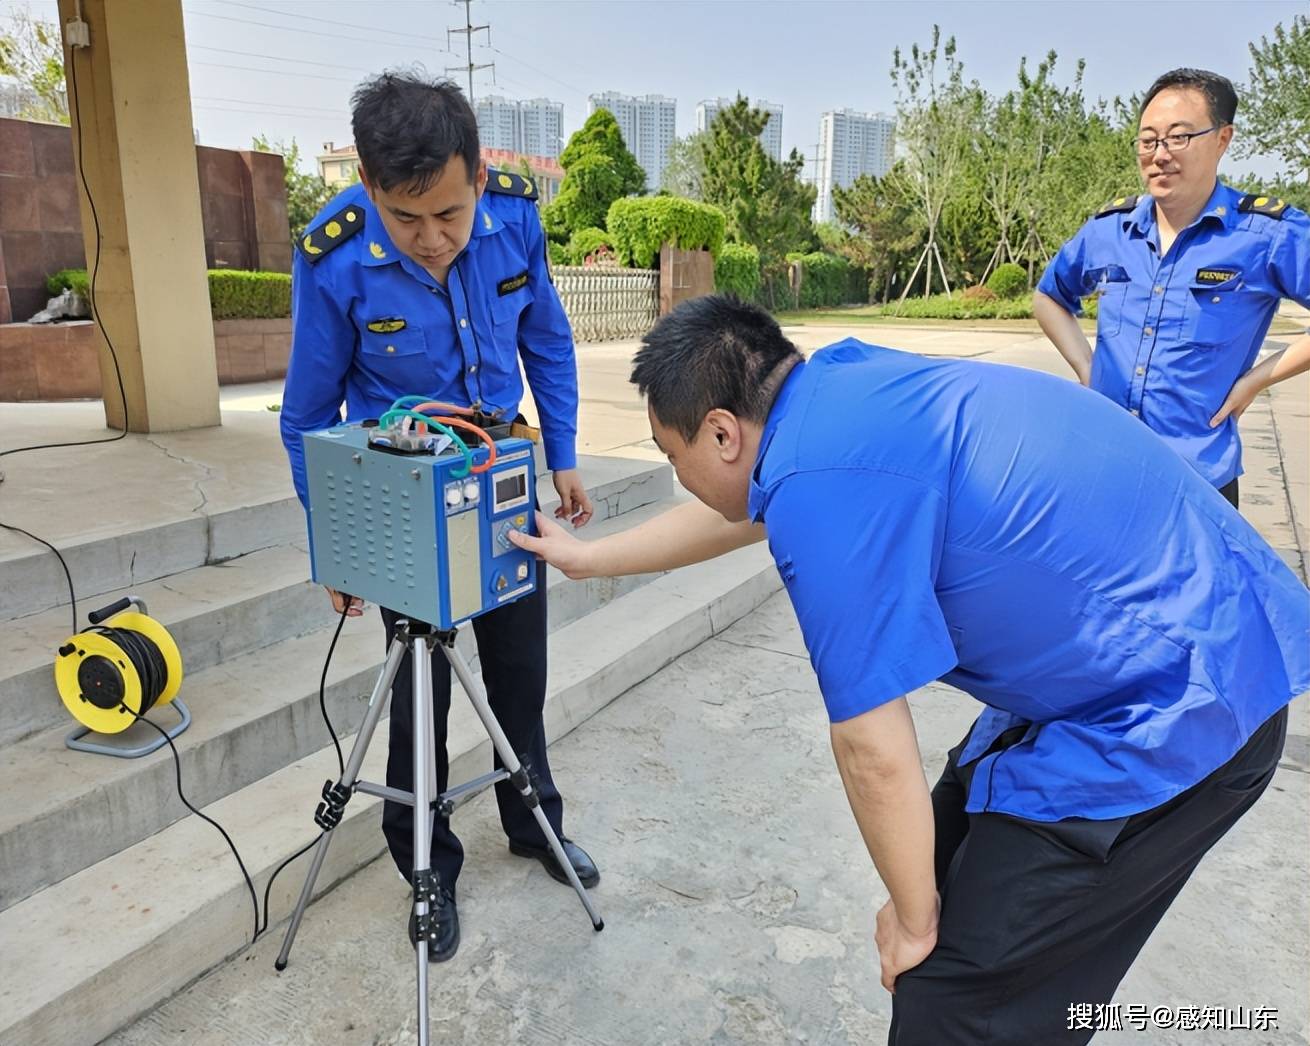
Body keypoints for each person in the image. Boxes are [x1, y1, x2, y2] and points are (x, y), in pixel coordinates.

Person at [510, 295, 1308, 1045]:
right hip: (1139, 644)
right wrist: (589, 558)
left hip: (1190, 699)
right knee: (944, 858)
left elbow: (872, 751)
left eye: (670, 454)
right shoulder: (833, 391)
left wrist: (915, 921)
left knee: (948, 992)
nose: (675, 474)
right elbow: (747, 507)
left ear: (722, 433)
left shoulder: (818, 490)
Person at [279, 73, 599, 964]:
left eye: (449, 217)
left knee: (519, 675)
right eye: (405, 219)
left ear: (478, 172)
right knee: (418, 699)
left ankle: (534, 826)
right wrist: (337, 543)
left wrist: (562, 451)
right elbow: (305, 417)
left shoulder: (515, 220)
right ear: (372, 189)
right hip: (406, 501)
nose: (430, 241)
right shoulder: (334, 255)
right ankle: (428, 869)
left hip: (501, 478)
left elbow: (548, 339)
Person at [1034, 67, 1310, 508]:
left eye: (1179, 137)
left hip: (1197, 482)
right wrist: (1088, 369)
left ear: (1222, 139)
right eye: (1148, 140)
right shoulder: (1110, 230)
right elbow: (1049, 296)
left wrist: (1254, 382)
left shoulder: (1264, 234)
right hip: (1104, 466)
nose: (1160, 154)